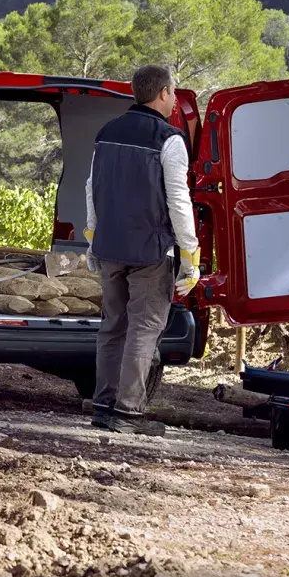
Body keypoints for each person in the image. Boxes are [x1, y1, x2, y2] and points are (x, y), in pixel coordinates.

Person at [83, 64, 199, 434]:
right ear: (163, 93)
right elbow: (179, 202)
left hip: (109, 248)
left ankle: (103, 406)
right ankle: (128, 414)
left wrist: (92, 239)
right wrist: (190, 256)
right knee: (145, 328)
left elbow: (91, 188)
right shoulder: (170, 139)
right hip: (150, 252)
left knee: (112, 327)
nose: (176, 99)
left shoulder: (107, 132)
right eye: (174, 92)